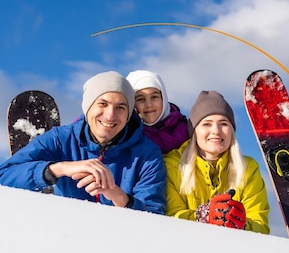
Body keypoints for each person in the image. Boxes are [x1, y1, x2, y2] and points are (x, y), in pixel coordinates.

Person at [0, 71, 167, 214]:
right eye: (103, 104)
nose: (110, 115)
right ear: (88, 107)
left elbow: (154, 215)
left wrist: (118, 196)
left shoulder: (147, 155)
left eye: (121, 107)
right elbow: (4, 176)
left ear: (129, 113)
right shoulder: (61, 139)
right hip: (66, 234)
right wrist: (59, 168)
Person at [164, 90, 270, 234]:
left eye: (223, 124)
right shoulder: (172, 166)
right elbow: (168, 220)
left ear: (231, 130)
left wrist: (242, 223)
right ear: (194, 131)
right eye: (207, 124)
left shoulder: (248, 169)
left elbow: (261, 227)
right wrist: (202, 217)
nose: (216, 131)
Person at [126, 70, 190, 154]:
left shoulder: (186, 129)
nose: (149, 104)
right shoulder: (129, 135)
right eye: (140, 99)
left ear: (163, 98)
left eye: (154, 97)